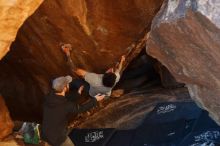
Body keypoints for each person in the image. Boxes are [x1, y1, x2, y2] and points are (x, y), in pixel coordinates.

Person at [42, 75, 105, 146]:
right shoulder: (66, 105)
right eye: (67, 84)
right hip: (57, 138)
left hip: (45, 134)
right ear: (65, 87)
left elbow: (64, 98)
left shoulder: (49, 97)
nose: (69, 84)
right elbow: (81, 109)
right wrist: (95, 100)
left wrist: (78, 93)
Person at [61, 44, 126, 99]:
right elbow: (118, 70)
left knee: (75, 81)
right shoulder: (115, 79)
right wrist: (122, 61)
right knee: (106, 94)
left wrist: (67, 54)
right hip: (105, 93)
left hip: (92, 92)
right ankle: (108, 95)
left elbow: (75, 70)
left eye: (110, 72)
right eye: (112, 72)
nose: (111, 70)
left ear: (103, 76)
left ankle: (64, 93)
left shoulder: (95, 79)